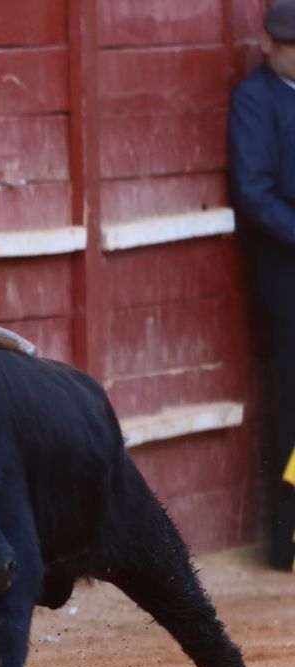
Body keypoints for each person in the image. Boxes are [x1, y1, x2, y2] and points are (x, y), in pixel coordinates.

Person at [229, 0, 295, 570]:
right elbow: (255, 193)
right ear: (268, 43)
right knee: (293, 397)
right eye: (288, 42)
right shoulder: (255, 99)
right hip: (287, 268)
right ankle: (289, 542)